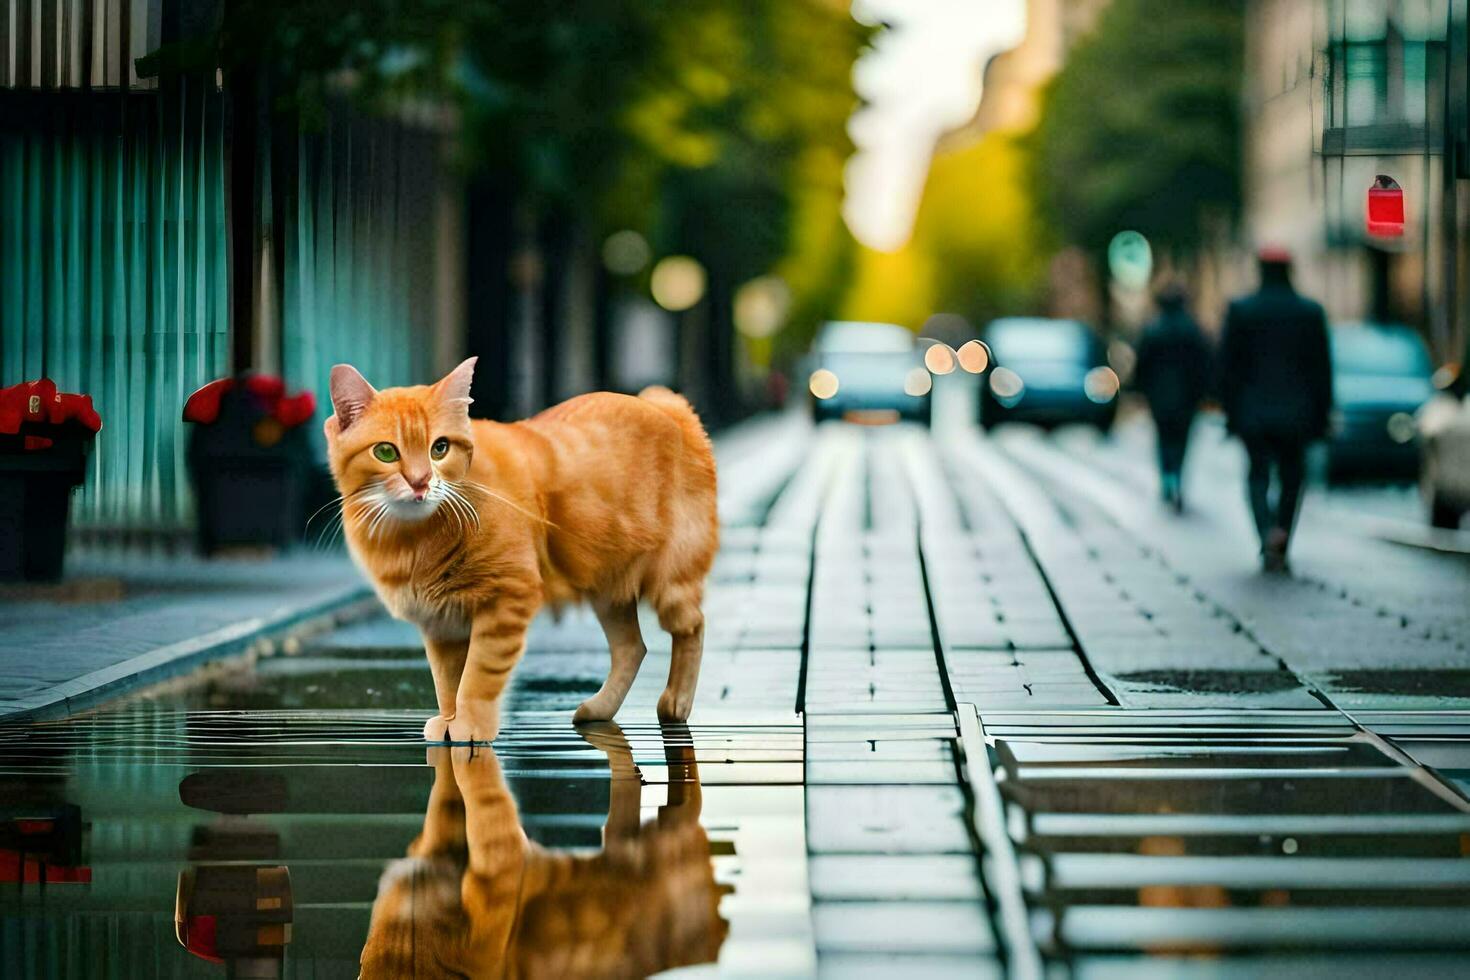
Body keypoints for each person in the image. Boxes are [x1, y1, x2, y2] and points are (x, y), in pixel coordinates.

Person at [1218, 247, 1333, 572]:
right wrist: (1323, 415)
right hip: (1298, 413)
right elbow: (1321, 370)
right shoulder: (1310, 312)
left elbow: (1228, 369)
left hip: (1252, 412)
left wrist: (1230, 413)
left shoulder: (1242, 310)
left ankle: (1266, 531)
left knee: (1257, 474)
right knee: (1292, 476)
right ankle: (1282, 532)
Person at [1134, 282, 1211, 512]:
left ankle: (1167, 476)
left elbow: (1142, 365)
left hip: (1159, 397)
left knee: (1163, 438)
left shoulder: (1152, 330)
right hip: (1187, 398)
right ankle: (1177, 475)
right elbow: (1205, 364)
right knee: (1182, 439)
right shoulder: (1193, 330)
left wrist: (1142, 390)